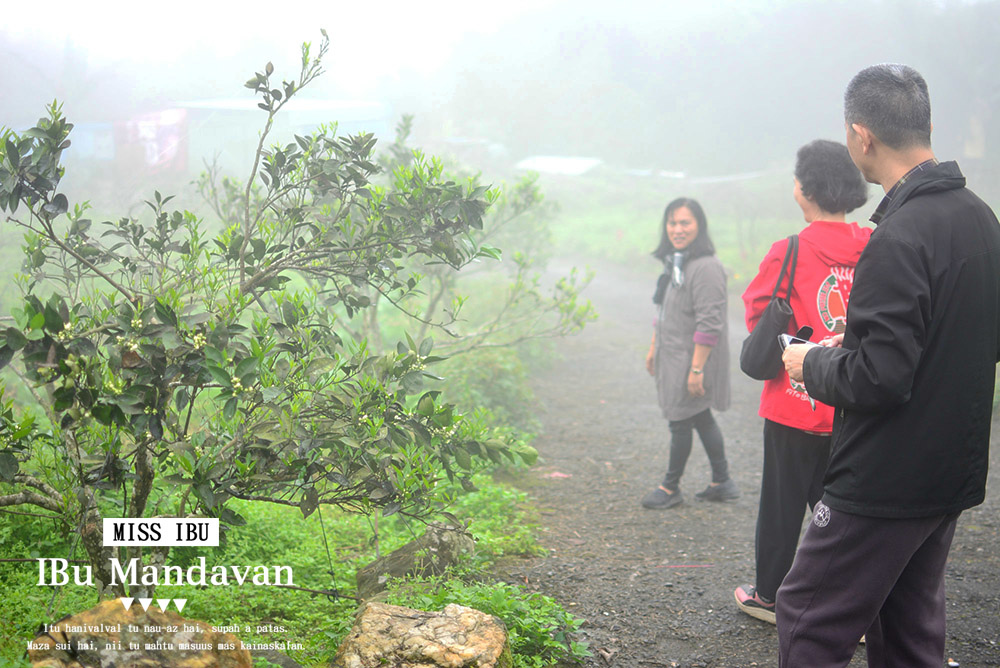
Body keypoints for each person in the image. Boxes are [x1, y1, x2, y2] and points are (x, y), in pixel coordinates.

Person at [780, 64, 1000, 667]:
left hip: (883, 480)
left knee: (807, 616)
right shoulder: (981, 218)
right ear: (926, 124)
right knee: (908, 630)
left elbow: (878, 377)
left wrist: (811, 361)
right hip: (948, 473)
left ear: (860, 136)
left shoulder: (899, 236)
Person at [734, 140, 870, 624]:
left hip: (794, 404)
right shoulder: (877, 245)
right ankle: (857, 607)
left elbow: (758, 312)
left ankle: (769, 596)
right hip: (855, 401)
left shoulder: (789, 250)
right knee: (846, 509)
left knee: (781, 506)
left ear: (803, 190)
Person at [641, 197, 738, 510]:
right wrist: (654, 346)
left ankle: (670, 487)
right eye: (672, 223)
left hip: (692, 358)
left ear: (699, 226)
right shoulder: (677, 262)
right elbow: (665, 310)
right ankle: (722, 481)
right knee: (699, 416)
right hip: (674, 355)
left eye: (685, 223)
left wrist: (697, 369)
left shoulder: (706, 268)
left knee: (681, 420)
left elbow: (710, 323)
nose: (677, 229)